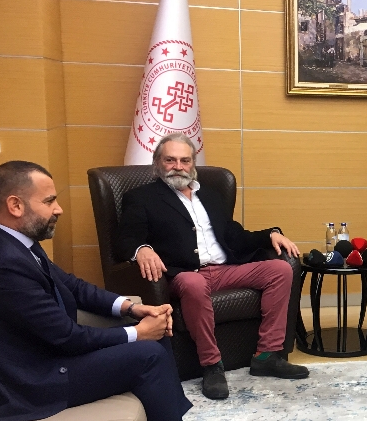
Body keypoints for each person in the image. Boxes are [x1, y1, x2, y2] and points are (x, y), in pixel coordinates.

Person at [0, 161, 232, 421]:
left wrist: (131, 309)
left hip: (42, 359)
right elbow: (67, 338)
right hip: (28, 383)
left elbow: (73, 286)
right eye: (49, 201)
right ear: (15, 205)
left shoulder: (13, 241)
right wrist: (137, 333)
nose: (58, 209)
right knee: (147, 353)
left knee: (155, 334)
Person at [116, 134, 308, 400]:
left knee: (280, 270)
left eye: (185, 160)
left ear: (193, 163)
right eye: (170, 160)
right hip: (185, 275)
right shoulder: (141, 197)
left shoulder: (210, 195)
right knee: (194, 283)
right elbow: (124, 241)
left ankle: (267, 355)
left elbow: (235, 236)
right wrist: (142, 249)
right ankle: (211, 365)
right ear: (157, 162)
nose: (178, 166)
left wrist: (270, 234)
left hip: (224, 270)